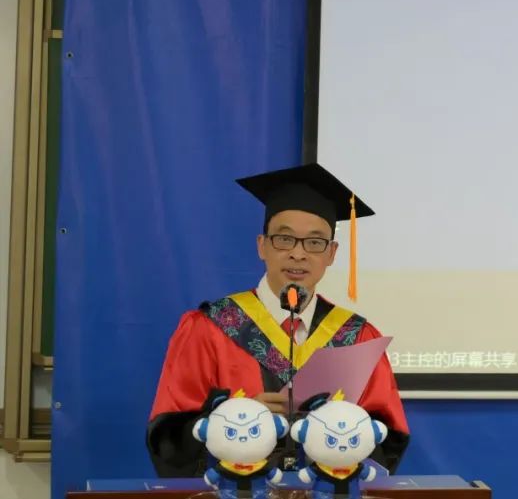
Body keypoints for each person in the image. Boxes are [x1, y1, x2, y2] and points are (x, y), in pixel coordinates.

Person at [146, 163, 409, 477]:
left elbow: (387, 438)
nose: (298, 254)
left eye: (315, 242)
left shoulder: (357, 335)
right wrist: (237, 419)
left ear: (332, 254)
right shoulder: (211, 328)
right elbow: (169, 437)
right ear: (262, 246)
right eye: (285, 239)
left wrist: (340, 430)